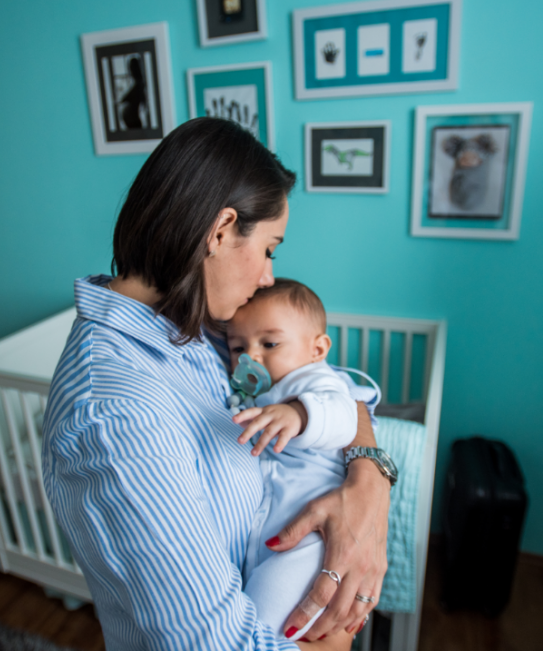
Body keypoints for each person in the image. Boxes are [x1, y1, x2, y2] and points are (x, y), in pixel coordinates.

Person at [42, 118, 392, 651]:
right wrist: (336, 638)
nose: (269, 276)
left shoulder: (198, 327)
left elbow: (333, 388)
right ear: (222, 229)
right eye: (270, 248)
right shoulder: (114, 414)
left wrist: (369, 483)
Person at [226, 279, 382, 640]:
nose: (252, 357)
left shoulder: (312, 382)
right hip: (272, 537)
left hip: (313, 540)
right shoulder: (251, 391)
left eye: (270, 343)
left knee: (265, 624)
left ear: (318, 348)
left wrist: (300, 414)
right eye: (237, 347)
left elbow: (343, 416)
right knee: (253, 615)